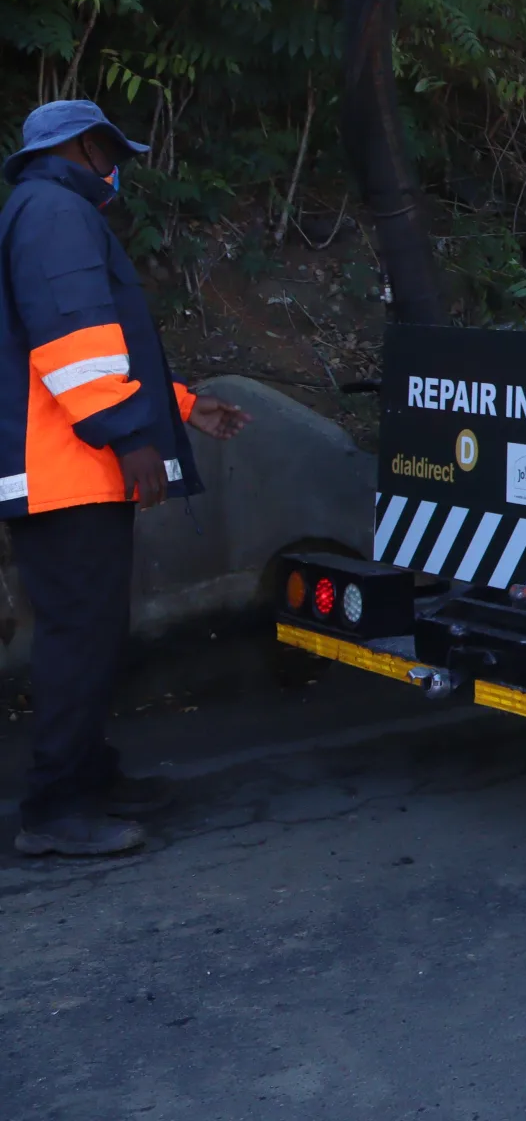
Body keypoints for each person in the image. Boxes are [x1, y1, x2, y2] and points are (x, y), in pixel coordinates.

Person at [1, 100, 249, 856]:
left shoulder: (43, 209)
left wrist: (178, 409)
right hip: (68, 466)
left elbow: (105, 350)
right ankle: (55, 809)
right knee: (80, 636)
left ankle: (90, 778)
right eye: (114, 154)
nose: (119, 172)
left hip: (69, 458)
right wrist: (125, 434)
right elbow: (73, 341)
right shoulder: (53, 212)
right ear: (84, 144)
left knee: (92, 631)